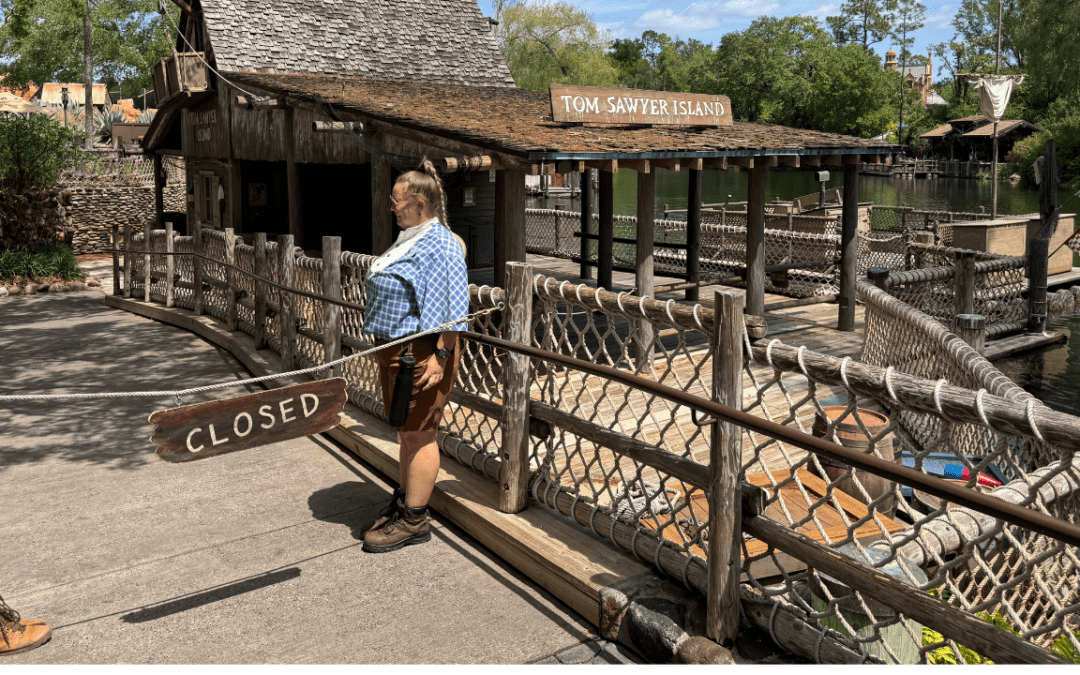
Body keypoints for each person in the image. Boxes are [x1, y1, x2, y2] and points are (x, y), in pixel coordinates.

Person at [360, 159, 469, 554]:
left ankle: (415, 518)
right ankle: (406, 502)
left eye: (397, 201)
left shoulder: (438, 244)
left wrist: (441, 356)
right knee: (407, 431)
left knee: (421, 432)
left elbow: (456, 307)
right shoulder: (413, 235)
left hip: (422, 351)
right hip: (397, 349)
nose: (392, 207)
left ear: (419, 204)